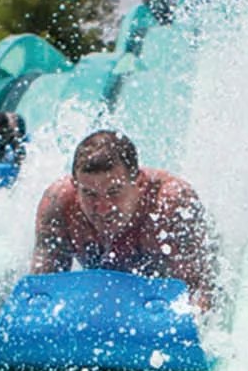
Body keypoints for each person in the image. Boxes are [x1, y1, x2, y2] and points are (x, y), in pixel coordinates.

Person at [31, 130, 220, 309]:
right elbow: (43, 291)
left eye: (114, 192)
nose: (103, 208)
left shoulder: (172, 204)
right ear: (75, 186)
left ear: (139, 183)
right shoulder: (59, 205)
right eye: (89, 194)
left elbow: (201, 295)